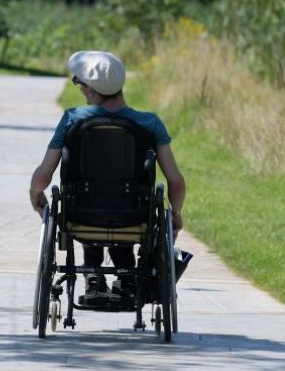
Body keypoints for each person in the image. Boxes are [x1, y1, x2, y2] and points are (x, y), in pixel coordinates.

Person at [28, 50, 186, 301]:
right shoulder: (150, 124)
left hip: (81, 214)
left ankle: (94, 277)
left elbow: (43, 178)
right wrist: (174, 215)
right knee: (125, 202)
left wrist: (35, 193)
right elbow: (176, 182)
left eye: (79, 83)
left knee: (89, 198)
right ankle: (126, 277)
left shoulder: (72, 120)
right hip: (135, 216)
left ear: (91, 90)